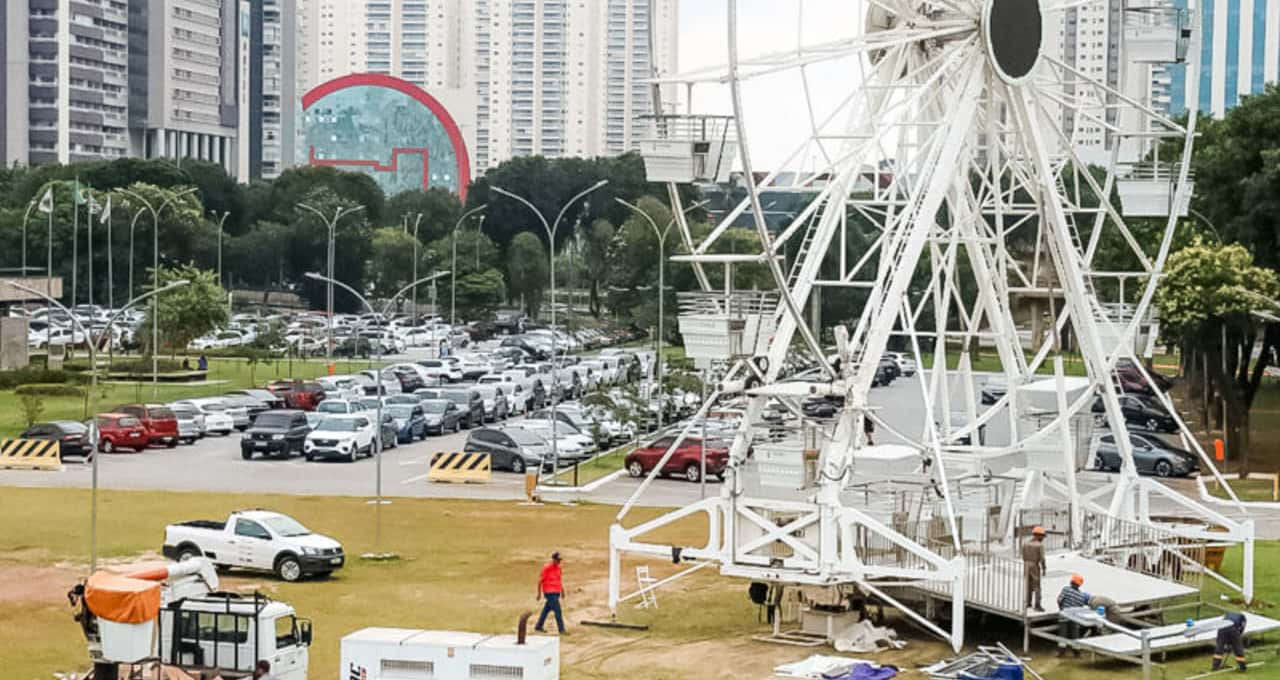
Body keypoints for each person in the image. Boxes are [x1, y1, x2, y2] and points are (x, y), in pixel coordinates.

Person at [1056, 574, 1090, 657]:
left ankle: (1061, 652)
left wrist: (1061, 609)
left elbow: (1059, 600)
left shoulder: (1066, 589)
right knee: (1075, 635)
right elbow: (1080, 607)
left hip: (1064, 616)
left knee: (1063, 635)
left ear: (1072, 582)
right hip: (1074, 618)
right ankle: (1076, 652)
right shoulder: (1081, 596)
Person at [535, 551, 567, 634]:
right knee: (558, 610)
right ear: (553, 559)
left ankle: (538, 626)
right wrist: (539, 593)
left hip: (556, 592)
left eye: (560, 560)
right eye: (557, 560)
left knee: (546, 609)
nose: (559, 562)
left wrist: (562, 591)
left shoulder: (559, 569)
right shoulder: (547, 568)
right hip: (549, 592)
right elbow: (540, 581)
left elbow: (559, 580)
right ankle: (561, 629)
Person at [1021, 526, 1047, 612]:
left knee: (1028, 584)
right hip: (1034, 565)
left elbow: (1023, 556)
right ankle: (1037, 605)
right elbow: (1042, 558)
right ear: (1038, 535)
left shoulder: (1025, 543)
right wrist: (1044, 568)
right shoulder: (1039, 545)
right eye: (1042, 536)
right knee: (1037, 586)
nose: (1043, 538)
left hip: (1026, 565)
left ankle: (1028, 602)